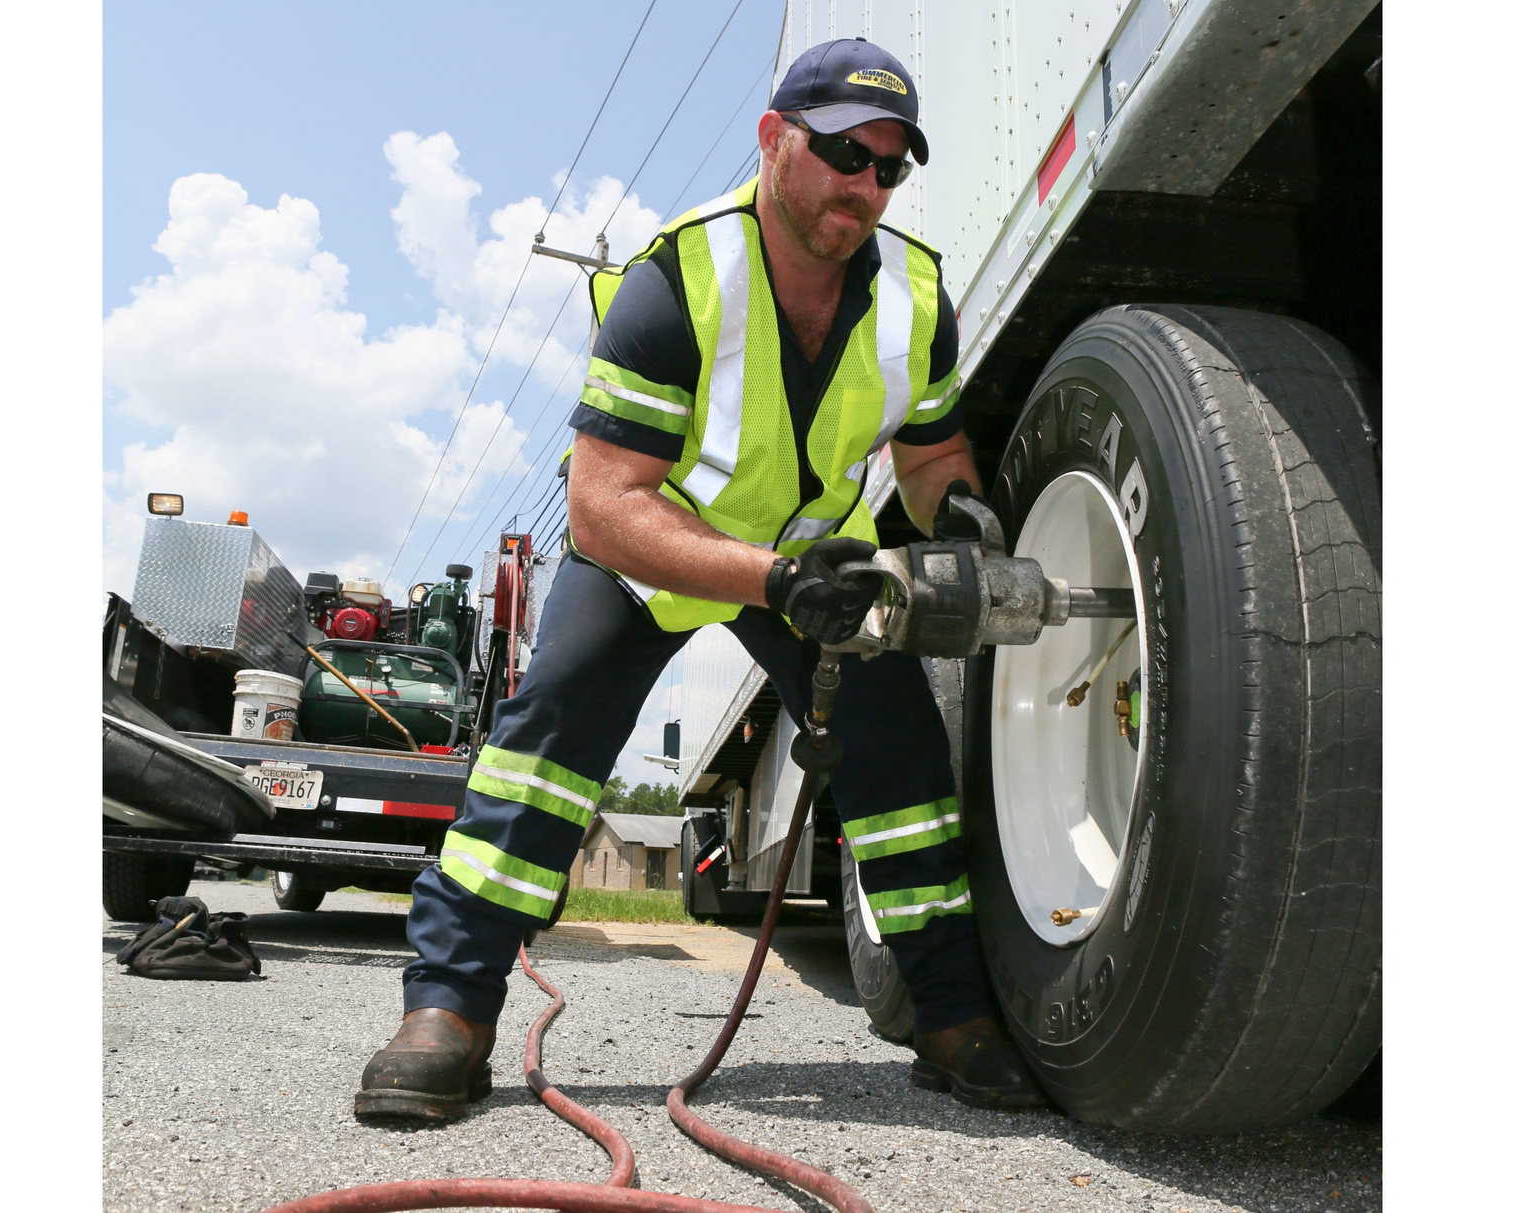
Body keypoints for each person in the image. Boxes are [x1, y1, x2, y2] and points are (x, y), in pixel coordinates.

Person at [356, 37, 1044, 1123]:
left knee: (904, 763)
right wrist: (769, 577)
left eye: (888, 166)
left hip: (816, 563)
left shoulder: (915, 296)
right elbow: (604, 505)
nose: (865, 185)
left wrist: (953, 510)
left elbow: (928, 456)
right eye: (841, 153)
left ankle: (953, 1015)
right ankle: (448, 1009)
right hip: (653, 555)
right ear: (774, 140)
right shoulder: (675, 280)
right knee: (549, 738)